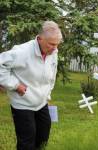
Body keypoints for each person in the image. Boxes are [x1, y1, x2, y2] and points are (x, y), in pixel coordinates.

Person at [0, 21, 62, 150]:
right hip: (22, 104)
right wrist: (15, 85)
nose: (55, 48)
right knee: (27, 142)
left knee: (43, 138)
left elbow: (52, 75)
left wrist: (47, 94)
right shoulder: (22, 52)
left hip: (41, 103)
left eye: (57, 44)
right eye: (52, 44)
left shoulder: (53, 52)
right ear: (40, 39)